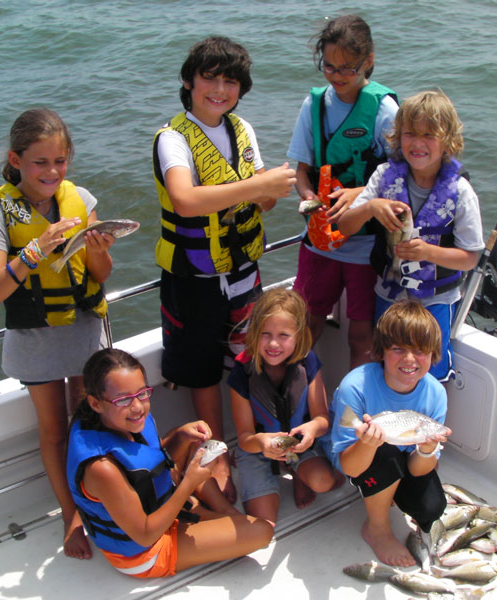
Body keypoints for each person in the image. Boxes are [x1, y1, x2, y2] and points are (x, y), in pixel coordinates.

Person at [153, 36, 296, 503]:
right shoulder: (173, 139)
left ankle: (254, 444)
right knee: (201, 373)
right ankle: (213, 458)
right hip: (192, 280)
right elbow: (186, 199)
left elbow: (266, 199)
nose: (219, 89)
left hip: (242, 271)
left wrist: (268, 187)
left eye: (229, 81)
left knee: (246, 359)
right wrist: (257, 185)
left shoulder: (242, 131)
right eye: (209, 78)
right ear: (189, 82)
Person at [0, 108, 116, 559]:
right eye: (40, 162)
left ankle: (95, 501)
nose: (53, 171)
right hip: (36, 340)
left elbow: (101, 273)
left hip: (81, 330)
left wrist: (98, 250)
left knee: (86, 422)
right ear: (15, 160)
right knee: (54, 431)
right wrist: (35, 250)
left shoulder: (81, 199)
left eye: (60, 161)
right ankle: (70, 513)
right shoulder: (0, 214)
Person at [66, 348, 273, 578]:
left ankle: (223, 513)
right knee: (261, 532)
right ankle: (212, 513)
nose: (136, 407)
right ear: (95, 404)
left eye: (142, 393)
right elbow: (144, 535)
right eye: (123, 399)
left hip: (160, 507)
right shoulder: (101, 468)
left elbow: (151, 463)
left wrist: (181, 436)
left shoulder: (122, 420)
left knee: (193, 439)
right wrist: (188, 484)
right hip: (147, 551)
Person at [338, 90, 484, 381]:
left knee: (432, 371)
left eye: (429, 135)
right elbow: (343, 226)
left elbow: (469, 258)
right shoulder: (383, 177)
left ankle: (428, 423)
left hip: (436, 300)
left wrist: (429, 253)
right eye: (410, 133)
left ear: (448, 141)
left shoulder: (461, 192)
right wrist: (371, 207)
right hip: (388, 294)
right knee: (385, 366)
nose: (418, 143)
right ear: (397, 136)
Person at [287, 15, 399, 370]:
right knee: (306, 324)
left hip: (366, 247)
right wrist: (308, 200)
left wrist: (360, 193)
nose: (337, 77)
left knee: (361, 336)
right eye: (329, 67)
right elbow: (301, 171)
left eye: (347, 68)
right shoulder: (314, 105)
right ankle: (289, 402)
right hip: (319, 240)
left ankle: (354, 416)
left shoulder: (384, 110)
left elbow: (404, 173)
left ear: (368, 60)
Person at [323, 300, 452, 567]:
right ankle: (377, 529)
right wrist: (368, 443)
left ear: (433, 355)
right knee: (388, 456)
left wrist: (427, 449)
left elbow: (419, 470)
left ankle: (388, 492)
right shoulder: (355, 386)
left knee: (431, 507)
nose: (409, 359)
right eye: (398, 349)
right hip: (360, 458)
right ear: (381, 352)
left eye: (420, 351)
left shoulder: (436, 393)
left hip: (403, 459)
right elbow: (350, 467)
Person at [228, 289, 343, 523]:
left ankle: (296, 470)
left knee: (325, 482)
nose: (273, 343)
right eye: (265, 333)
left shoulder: (308, 361)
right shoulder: (242, 373)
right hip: (260, 448)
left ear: (299, 336)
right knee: (264, 520)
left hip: (299, 443)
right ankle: (249, 462)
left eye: (283, 335)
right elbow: (245, 437)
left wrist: (311, 431)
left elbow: (321, 419)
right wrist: (261, 443)